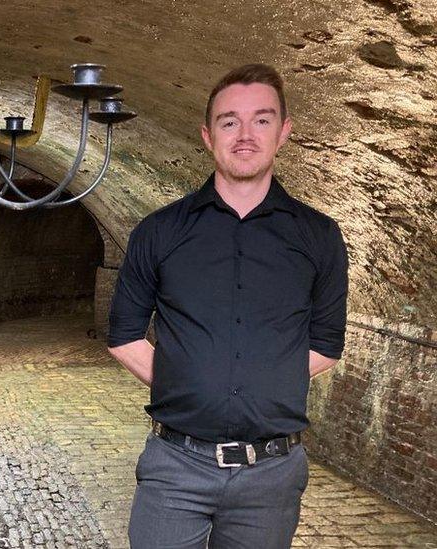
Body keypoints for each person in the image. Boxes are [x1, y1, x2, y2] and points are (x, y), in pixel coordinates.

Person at [106, 63, 348, 548]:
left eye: (261, 120)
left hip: (272, 477)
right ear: (207, 135)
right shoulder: (160, 232)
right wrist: (192, 381)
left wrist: (258, 383)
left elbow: (326, 344)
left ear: (283, 133)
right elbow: (125, 336)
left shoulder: (319, 236)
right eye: (229, 121)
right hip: (175, 466)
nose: (245, 134)